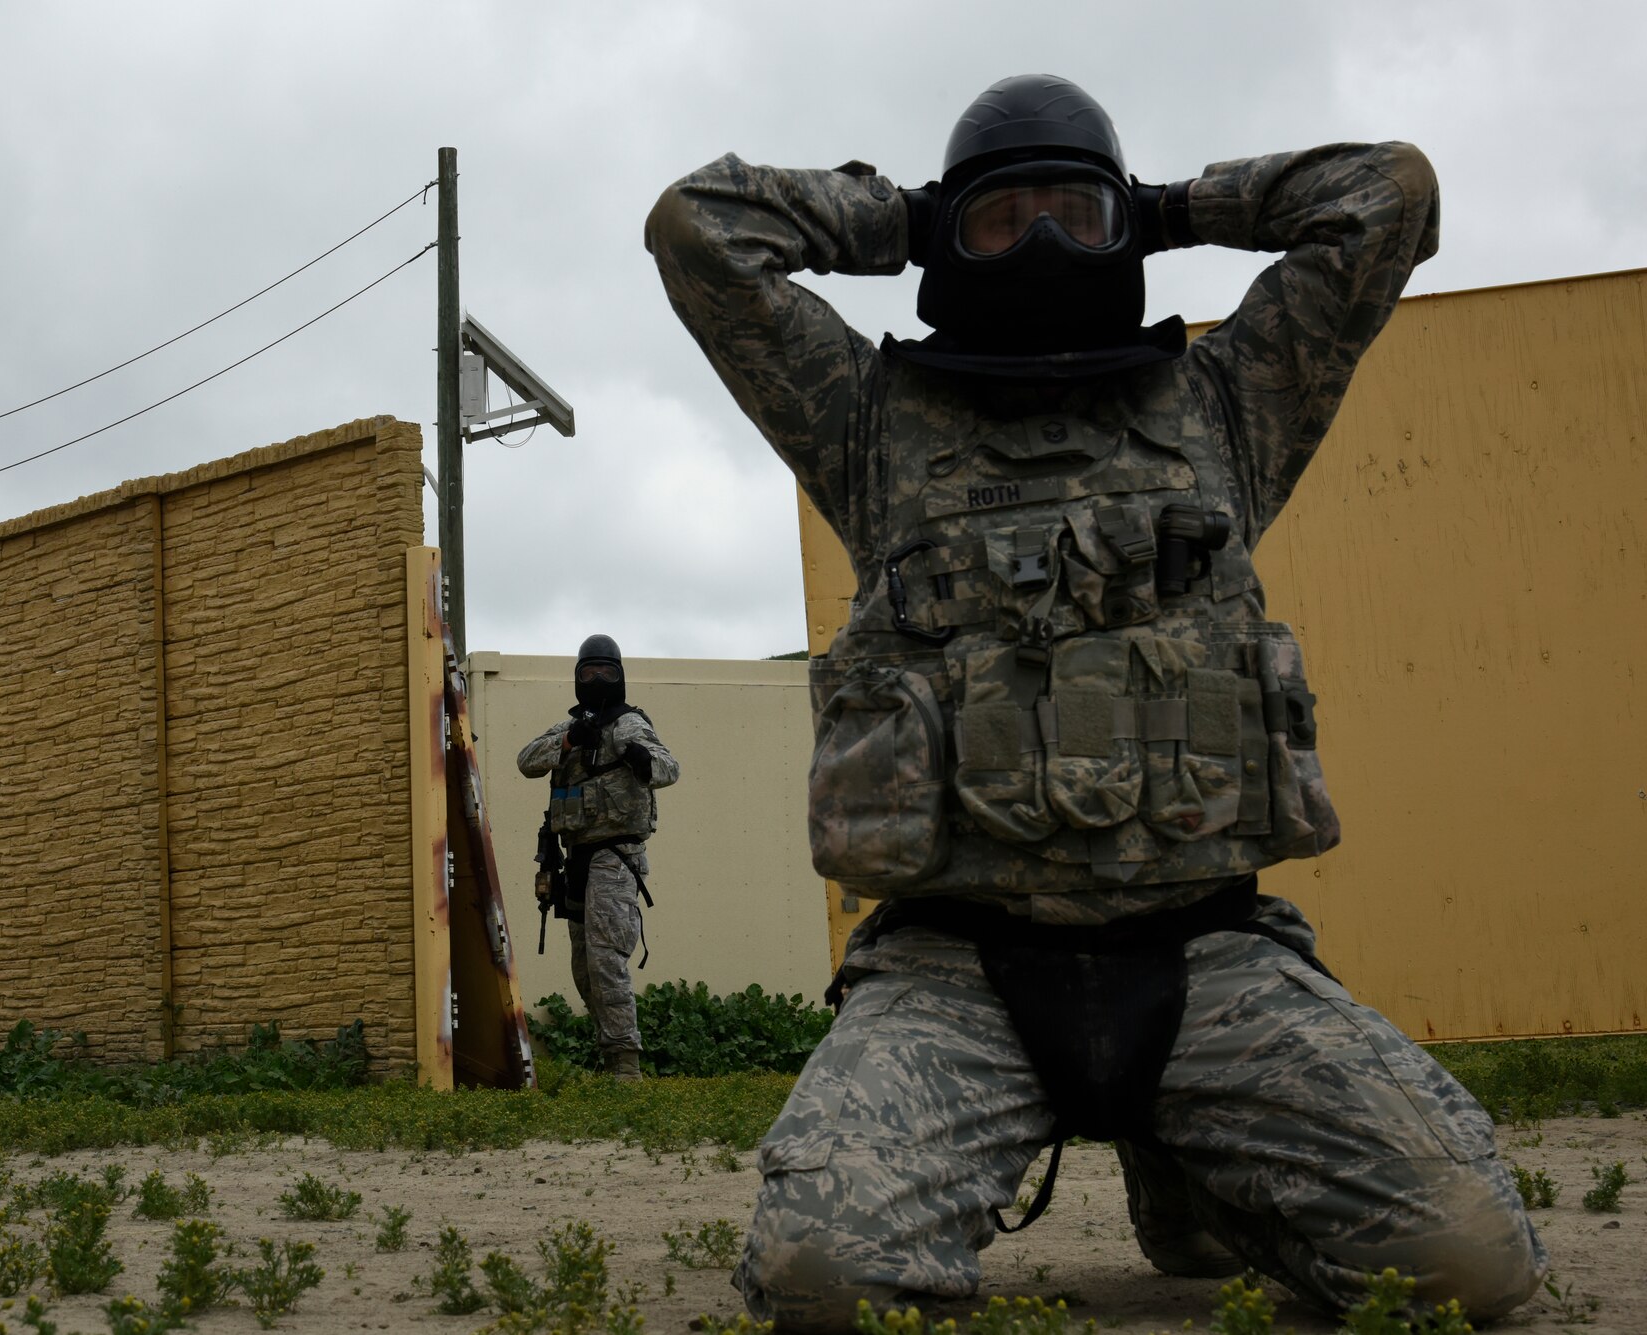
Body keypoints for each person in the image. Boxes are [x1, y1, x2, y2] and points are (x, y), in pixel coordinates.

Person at [645, 74, 1543, 1330]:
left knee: (1466, 1272)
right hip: (955, 971)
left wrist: (1175, 208)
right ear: (950, 243)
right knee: (824, 1287)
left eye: (1079, 214)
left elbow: (1384, 195)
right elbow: (698, 230)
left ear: (1124, 232)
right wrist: (905, 217)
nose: (1048, 245)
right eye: (1003, 222)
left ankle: (1201, 1176)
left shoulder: (1228, 403)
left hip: (1206, 951)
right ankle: (1057, 1150)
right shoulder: (867, 421)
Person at [517, 634, 680, 1081]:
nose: (598, 681)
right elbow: (526, 760)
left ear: (620, 676)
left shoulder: (628, 725)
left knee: (607, 961)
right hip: (576, 859)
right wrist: (569, 741)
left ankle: (625, 1066)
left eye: (606, 673)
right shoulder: (569, 727)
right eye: (589, 673)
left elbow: (669, 768)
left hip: (615, 857)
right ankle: (610, 1054)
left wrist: (641, 760)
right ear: (577, 678)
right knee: (584, 968)